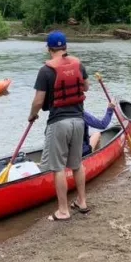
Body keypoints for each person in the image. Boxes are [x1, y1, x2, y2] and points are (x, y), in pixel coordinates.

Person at [28, 31, 91, 221]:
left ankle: (63, 210)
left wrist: (32, 115)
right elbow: (86, 87)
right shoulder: (78, 65)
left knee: (58, 168)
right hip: (79, 121)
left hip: (59, 123)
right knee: (77, 165)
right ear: (66, 47)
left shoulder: (45, 70)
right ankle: (82, 201)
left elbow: (39, 101)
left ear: (48, 49)